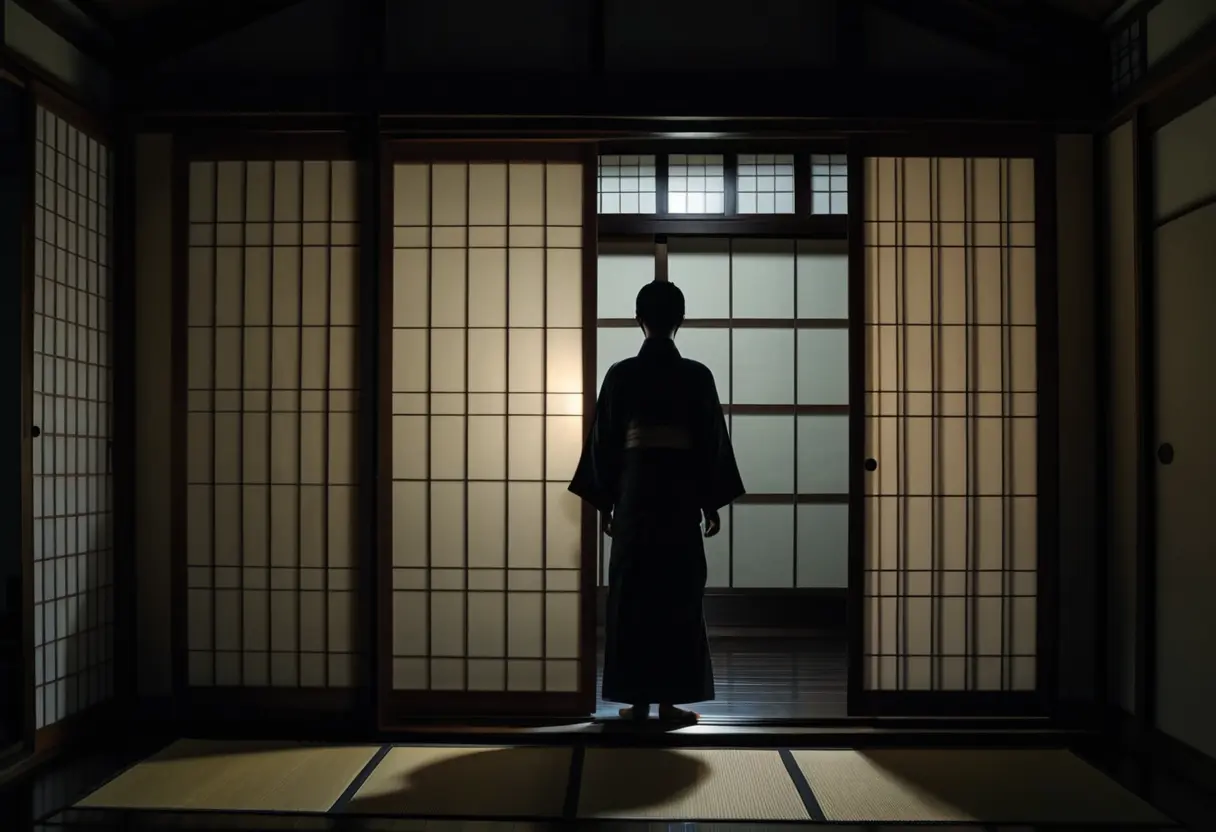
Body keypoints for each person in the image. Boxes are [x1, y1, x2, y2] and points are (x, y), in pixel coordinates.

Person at [568, 279, 746, 724]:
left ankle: (637, 701)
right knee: (678, 596)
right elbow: (711, 446)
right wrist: (710, 504)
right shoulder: (697, 376)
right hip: (680, 501)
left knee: (632, 597)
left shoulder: (620, 374)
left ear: (638, 319)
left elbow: (603, 446)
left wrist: (608, 503)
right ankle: (671, 701)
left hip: (634, 499)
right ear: (680, 321)